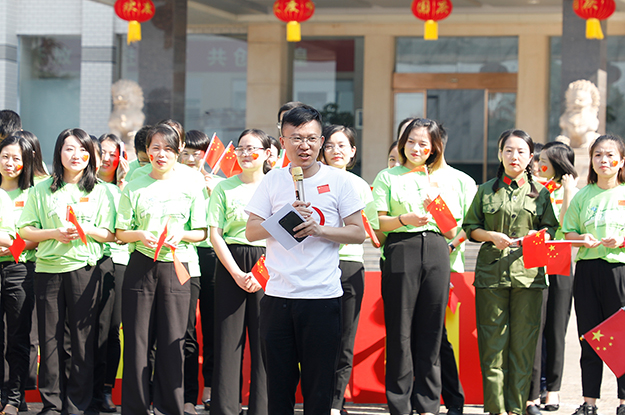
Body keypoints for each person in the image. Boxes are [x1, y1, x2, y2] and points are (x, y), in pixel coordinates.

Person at [245, 105, 365, 415]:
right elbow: (251, 231)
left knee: (319, 388)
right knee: (279, 388)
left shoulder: (339, 181)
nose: (304, 146)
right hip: (278, 297)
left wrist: (320, 229)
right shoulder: (272, 180)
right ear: (282, 141)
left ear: (321, 141)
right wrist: (283, 218)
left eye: (311, 138)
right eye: (296, 138)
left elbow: (358, 232)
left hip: (321, 298)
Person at [18, 128, 116, 415]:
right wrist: (53, 233)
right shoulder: (41, 190)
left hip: (85, 270)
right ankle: (52, 403)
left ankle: (77, 404)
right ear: (59, 152)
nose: (76, 155)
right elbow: (26, 229)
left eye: (83, 150)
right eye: (69, 148)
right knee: (50, 339)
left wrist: (86, 229)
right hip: (48, 270)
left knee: (81, 340)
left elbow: (110, 234)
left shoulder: (100, 190)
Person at [462, 129, 558, 415]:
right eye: (508, 150)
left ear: (531, 157)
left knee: (524, 344)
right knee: (492, 344)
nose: (514, 156)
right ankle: (496, 409)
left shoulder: (541, 193)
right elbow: (471, 228)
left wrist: (538, 236)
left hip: (529, 276)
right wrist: (490, 236)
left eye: (520, 151)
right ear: (500, 154)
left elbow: (551, 229)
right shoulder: (485, 190)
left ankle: (516, 408)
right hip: (491, 275)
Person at [116, 124, 208, 415]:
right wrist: (140, 235)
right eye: (155, 147)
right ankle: (136, 408)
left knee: (172, 340)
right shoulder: (134, 185)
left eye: (168, 148)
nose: (161, 154)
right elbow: (120, 232)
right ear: (147, 151)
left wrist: (181, 234)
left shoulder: (191, 184)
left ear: (177, 152)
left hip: (177, 266)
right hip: (141, 265)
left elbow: (202, 232)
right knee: (137, 340)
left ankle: (169, 408)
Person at [372, 118, 457, 415]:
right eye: (411, 141)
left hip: (436, 250)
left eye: (423, 143)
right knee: (400, 331)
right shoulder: (387, 176)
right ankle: (399, 404)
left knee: (432, 331)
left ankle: (428, 404)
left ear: (434, 148)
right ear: (402, 143)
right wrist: (403, 219)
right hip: (401, 248)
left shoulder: (441, 179)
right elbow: (378, 223)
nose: (416, 148)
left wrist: (436, 204)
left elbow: (451, 230)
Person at [209, 129, 272, 415]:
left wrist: (261, 271)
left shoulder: (276, 187)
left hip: (268, 263)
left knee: (264, 342)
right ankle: (225, 409)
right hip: (230, 263)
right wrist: (236, 273)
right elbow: (215, 234)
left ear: (267, 153)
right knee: (228, 342)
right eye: (242, 148)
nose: (246, 154)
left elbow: (284, 230)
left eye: (253, 148)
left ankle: (262, 409)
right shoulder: (224, 188)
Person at [562, 134, 625, 415]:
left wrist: (621, 241)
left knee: (622, 338)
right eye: (598, 155)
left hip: (619, 270)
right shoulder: (582, 196)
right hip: (587, 271)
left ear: (621, 161)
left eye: (610, 155)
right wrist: (581, 238)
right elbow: (568, 233)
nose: (604, 160)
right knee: (589, 337)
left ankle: (623, 402)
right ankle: (589, 403)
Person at [318, 124, 377, 415]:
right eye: (330, 145)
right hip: (317, 265)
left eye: (342, 145)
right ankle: (318, 398)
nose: (335, 151)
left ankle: (335, 402)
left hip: (350, 265)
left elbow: (370, 229)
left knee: (344, 337)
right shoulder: (311, 181)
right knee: (318, 337)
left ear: (353, 151)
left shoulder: (360, 186)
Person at [525, 142, 578, 415]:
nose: (538, 163)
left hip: (560, 259)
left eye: (543, 159)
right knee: (536, 327)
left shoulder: (574, 192)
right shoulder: (534, 189)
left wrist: (567, 192)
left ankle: (553, 389)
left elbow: (566, 227)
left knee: (556, 328)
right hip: (536, 259)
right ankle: (533, 389)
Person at [178, 130, 222, 412]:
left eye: (198, 154)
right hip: (183, 257)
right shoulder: (174, 183)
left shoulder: (218, 183)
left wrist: (213, 191)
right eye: (186, 153)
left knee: (214, 326)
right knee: (185, 329)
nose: (192, 159)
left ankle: (211, 389)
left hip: (212, 256)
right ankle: (187, 394)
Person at [0, 135, 36, 415]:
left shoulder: (33, 194)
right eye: (5, 156)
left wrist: (10, 244)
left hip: (20, 270)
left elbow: (36, 236)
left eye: (16, 158)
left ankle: (14, 398)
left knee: (18, 337)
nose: (9, 163)